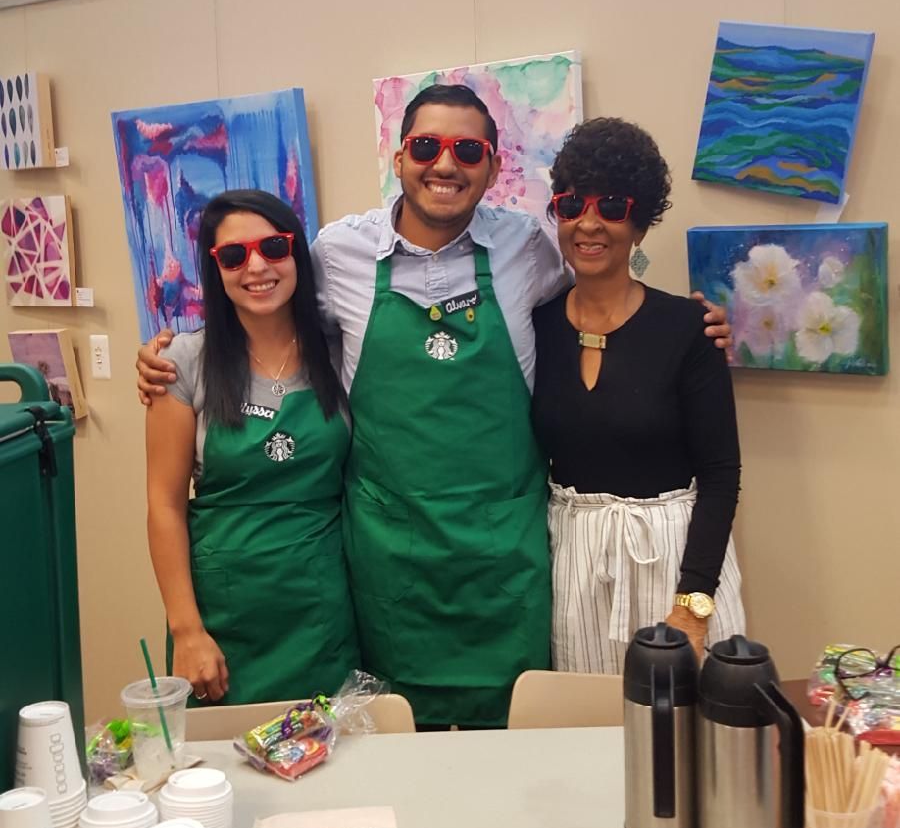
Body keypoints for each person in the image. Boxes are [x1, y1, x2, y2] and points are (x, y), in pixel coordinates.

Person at [138, 87, 731, 724]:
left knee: (523, 739)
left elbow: (601, 298)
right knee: (399, 741)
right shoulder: (339, 254)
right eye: (426, 146)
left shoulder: (526, 248)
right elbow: (265, 308)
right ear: (399, 159)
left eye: (466, 150)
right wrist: (177, 354)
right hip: (393, 559)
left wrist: (687, 326)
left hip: (504, 558)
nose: (444, 165)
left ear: (493, 168)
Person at [531, 117, 744, 671]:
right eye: (574, 205)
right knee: (587, 733)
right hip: (574, 558)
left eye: (613, 207)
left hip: (672, 556)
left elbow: (721, 475)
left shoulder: (689, 328)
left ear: (641, 224)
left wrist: (694, 606)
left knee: (686, 740)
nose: (590, 224)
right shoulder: (535, 327)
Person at [145, 189, 359, 706]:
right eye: (235, 256)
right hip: (225, 613)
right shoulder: (182, 362)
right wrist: (186, 631)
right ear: (215, 269)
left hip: (322, 606)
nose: (257, 267)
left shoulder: (341, 348)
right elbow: (164, 506)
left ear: (297, 254)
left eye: (274, 247)